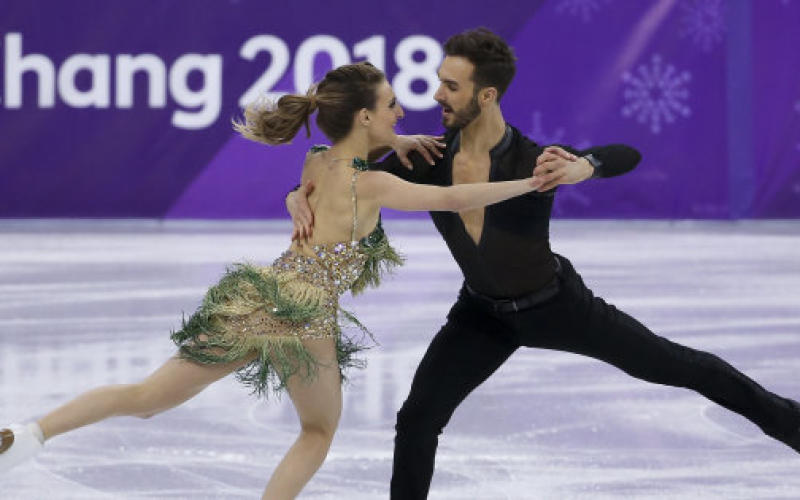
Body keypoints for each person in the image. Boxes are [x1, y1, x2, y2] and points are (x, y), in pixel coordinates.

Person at [286, 29, 800, 499]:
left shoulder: (537, 160)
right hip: (481, 314)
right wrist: (295, 196)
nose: (436, 95)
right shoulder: (425, 158)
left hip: (556, 305)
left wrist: (585, 167)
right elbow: (339, 178)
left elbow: (627, 155)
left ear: (485, 96)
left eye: (451, 86)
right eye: (439, 83)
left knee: (683, 367)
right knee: (417, 419)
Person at [0, 61, 549, 499]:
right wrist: (527, 183)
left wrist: (392, 146)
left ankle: (30, 434)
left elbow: (333, 170)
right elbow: (454, 197)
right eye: (390, 106)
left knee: (147, 397)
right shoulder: (375, 185)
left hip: (262, 294)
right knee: (317, 432)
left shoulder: (314, 161)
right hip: (306, 312)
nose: (401, 111)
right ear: (363, 116)